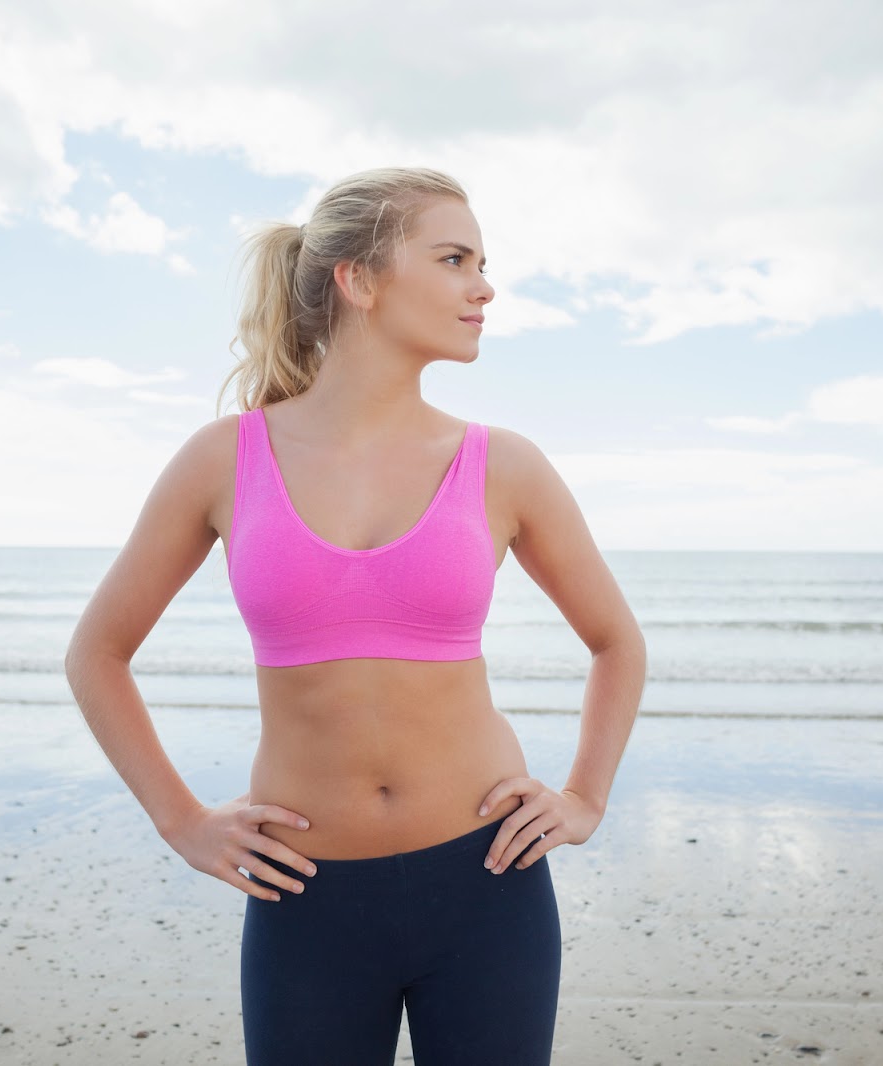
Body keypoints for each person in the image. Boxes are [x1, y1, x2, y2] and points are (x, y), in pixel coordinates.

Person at [64, 166, 646, 1065]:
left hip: (487, 882)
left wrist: (584, 799)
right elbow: (97, 652)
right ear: (359, 280)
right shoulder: (224, 460)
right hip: (306, 901)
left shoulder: (505, 465)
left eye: (483, 262)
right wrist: (180, 821)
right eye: (454, 258)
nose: (484, 286)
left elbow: (617, 642)